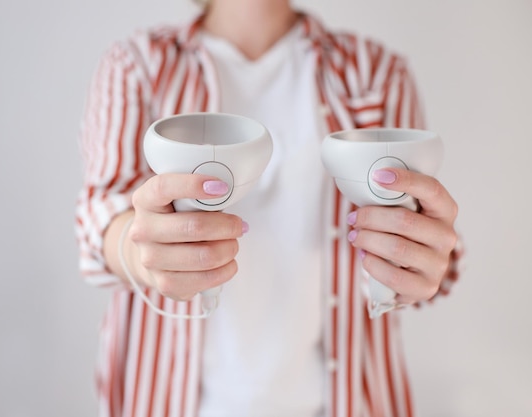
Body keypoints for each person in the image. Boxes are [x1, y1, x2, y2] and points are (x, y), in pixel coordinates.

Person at [75, 0, 462, 416]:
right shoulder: (138, 66)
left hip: (345, 401)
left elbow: (431, 253)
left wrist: (421, 262)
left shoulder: (377, 73)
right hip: (168, 401)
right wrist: (140, 250)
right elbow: (99, 217)